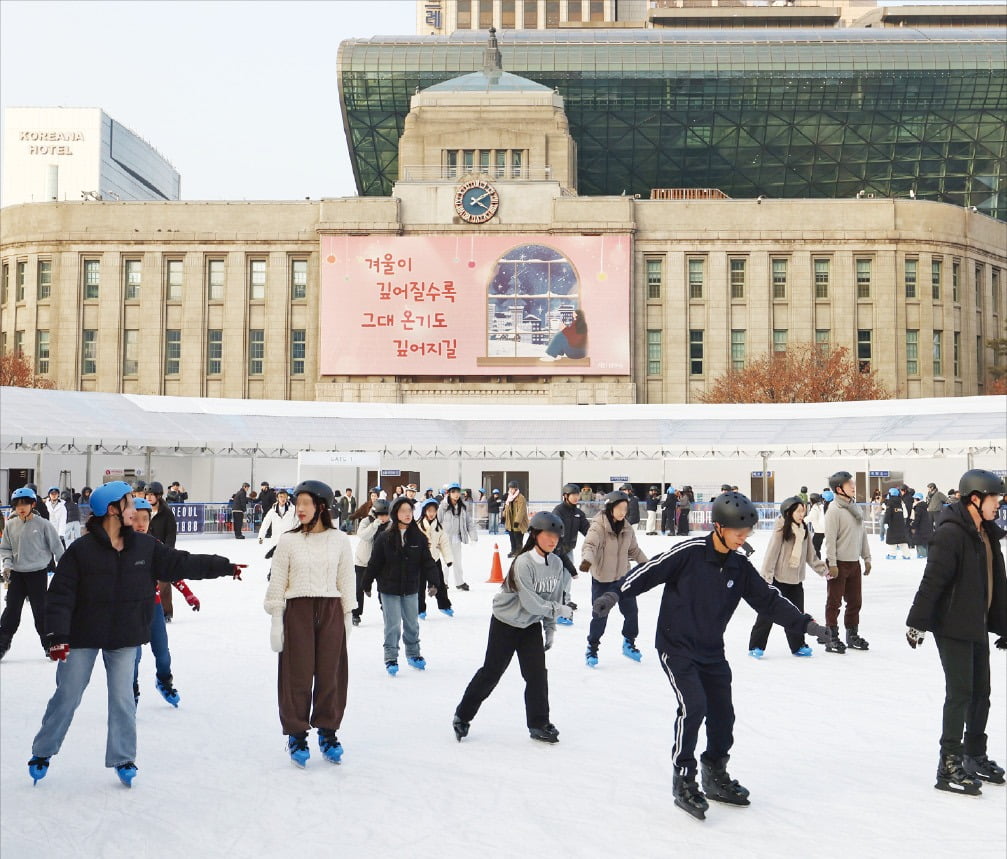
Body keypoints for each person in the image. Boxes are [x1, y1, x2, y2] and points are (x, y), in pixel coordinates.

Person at [595, 491, 829, 820]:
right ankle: (684, 778)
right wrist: (614, 593)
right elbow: (649, 572)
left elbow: (769, 601)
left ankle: (714, 772)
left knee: (723, 715)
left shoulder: (739, 566)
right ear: (719, 527)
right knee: (694, 706)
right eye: (739, 532)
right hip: (676, 647)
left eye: (747, 533)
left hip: (711, 650)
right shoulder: (689, 553)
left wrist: (807, 625)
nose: (744, 538)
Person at [28, 481, 244, 786]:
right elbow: (60, 596)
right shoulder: (81, 551)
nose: (136, 510)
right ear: (112, 510)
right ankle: (43, 751)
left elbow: (182, 562)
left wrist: (223, 566)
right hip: (82, 635)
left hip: (125, 634)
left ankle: (123, 757)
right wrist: (56, 637)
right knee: (68, 694)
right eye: (130, 504)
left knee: (123, 698)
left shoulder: (145, 547)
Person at [906, 469, 1007, 795]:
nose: (999, 505)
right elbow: (933, 579)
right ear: (975, 499)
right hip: (952, 625)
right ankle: (948, 764)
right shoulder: (951, 533)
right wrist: (917, 622)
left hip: (975, 623)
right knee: (961, 694)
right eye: (995, 499)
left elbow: (997, 584)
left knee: (982, 693)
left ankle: (974, 755)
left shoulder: (986, 532)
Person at [453, 512, 573, 744]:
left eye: (556, 536)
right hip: (505, 623)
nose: (553, 540)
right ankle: (462, 715)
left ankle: (539, 724)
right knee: (491, 673)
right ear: (536, 535)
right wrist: (557, 610)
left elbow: (553, 596)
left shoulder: (557, 564)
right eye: (548, 535)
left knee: (537, 675)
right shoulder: (523, 562)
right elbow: (531, 602)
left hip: (529, 625)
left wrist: (550, 628)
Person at [263, 480, 354, 768]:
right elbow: (278, 581)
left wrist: (348, 614)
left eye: (305, 503)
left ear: (321, 507)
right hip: (298, 610)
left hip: (330, 608)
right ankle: (296, 733)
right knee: (297, 675)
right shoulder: (288, 541)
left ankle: (328, 732)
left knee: (331, 675)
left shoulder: (339, 540)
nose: (299, 509)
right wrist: (277, 618)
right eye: (297, 503)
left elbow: (346, 579)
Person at [130, 498, 201, 708]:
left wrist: (188, 594)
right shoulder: (119, 548)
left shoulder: (155, 546)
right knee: (134, 656)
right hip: (131, 611)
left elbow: (172, 571)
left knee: (162, 652)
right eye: (136, 519)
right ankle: (130, 690)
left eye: (145, 519)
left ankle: (164, 680)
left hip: (154, 607)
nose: (141, 524)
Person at [364, 495, 438, 676]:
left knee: (412, 623)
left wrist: (434, 582)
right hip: (389, 589)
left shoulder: (418, 537)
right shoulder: (384, 538)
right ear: (395, 513)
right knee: (393, 624)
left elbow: (428, 562)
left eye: (410, 510)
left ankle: (413, 654)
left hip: (411, 588)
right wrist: (366, 582)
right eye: (403, 510)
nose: (407, 514)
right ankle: (391, 657)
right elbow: (375, 562)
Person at [748, 496, 829, 658]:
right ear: (788, 512)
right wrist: (766, 578)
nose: (801, 514)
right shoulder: (781, 531)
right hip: (778, 580)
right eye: (798, 511)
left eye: (803, 511)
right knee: (766, 615)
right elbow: (771, 555)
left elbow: (811, 556)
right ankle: (756, 646)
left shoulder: (804, 531)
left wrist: (823, 570)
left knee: (797, 614)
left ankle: (798, 645)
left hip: (796, 582)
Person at [580, 491, 648, 667]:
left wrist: (650, 566)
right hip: (602, 579)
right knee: (600, 615)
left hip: (624, 578)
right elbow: (590, 545)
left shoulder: (627, 528)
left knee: (631, 613)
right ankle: (592, 647)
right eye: (619, 508)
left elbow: (634, 551)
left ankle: (629, 643)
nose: (623, 512)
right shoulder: (598, 527)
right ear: (610, 508)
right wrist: (587, 560)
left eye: (625, 508)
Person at [0, 487, 64, 659]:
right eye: (17, 504)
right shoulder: (11, 524)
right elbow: (5, 548)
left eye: (25, 504)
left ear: (32, 504)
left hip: (37, 573)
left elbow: (57, 548)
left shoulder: (43, 524)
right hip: (17, 574)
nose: (21, 507)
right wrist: (7, 565)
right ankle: (2, 643)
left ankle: (50, 645)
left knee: (41, 610)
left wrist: (65, 570)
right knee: (11, 611)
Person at [822, 470, 871, 654]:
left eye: (852, 483)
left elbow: (863, 535)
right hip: (838, 563)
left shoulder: (855, 508)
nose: (853, 486)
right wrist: (832, 564)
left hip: (854, 563)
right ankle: (831, 636)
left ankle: (852, 635)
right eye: (849, 483)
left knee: (855, 601)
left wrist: (867, 558)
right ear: (838, 489)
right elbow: (830, 539)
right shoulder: (834, 510)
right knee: (834, 602)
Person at [351, 498, 389, 626]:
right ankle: (356, 614)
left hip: (381, 563)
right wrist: (375, 525)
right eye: (381, 515)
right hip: (363, 561)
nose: (384, 518)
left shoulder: (390, 524)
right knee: (359, 588)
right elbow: (363, 535)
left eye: (386, 515)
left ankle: (387, 611)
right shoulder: (366, 521)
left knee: (384, 588)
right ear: (375, 513)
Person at [146, 482, 179, 621]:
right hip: (147, 551)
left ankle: (166, 612)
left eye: (151, 495)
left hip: (163, 552)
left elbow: (171, 534)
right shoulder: (143, 510)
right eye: (147, 495)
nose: (149, 497)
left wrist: (168, 551)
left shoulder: (166, 513)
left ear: (159, 496)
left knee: (164, 583)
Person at [417, 498, 455, 619]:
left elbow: (444, 544)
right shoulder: (418, 526)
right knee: (419, 586)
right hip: (420, 562)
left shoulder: (439, 527)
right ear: (424, 511)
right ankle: (420, 609)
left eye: (434, 510)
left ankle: (444, 606)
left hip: (434, 560)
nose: (431, 513)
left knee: (440, 584)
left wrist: (448, 559)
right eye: (429, 510)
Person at [438, 482, 478, 591]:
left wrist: (473, 537)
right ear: (449, 493)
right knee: (445, 562)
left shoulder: (462, 507)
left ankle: (459, 582)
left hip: (456, 538)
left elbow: (469, 523)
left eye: (457, 492)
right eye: (453, 492)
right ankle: (443, 583)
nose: (456, 494)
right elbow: (437, 522)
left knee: (457, 562)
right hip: (445, 539)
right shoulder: (443, 507)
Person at [259, 488, 295, 559]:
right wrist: (261, 536)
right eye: (281, 496)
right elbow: (265, 523)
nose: (283, 499)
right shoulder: (272, 511)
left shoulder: (293, 510)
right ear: (277, 498)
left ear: (287, 498)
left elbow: (298, 522)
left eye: (285, 496)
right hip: (276, 539)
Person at [881, 487, 913, 560]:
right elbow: (905, 514)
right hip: (901, 524)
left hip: (892, 525)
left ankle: (892, 555)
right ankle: (907, 555)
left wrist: (886, 522)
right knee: (902, 540)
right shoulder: (901, 502)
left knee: (892, 540)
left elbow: (888, 513)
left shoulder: (890, 502)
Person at [502, 480, 529, 558]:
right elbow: (506, 508)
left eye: (512, 488)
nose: (510, 490)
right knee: (512, 538)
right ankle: (513, 550)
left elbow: (521, 511)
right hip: (510, 522)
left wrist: (517, 521)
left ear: (516, 489)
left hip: (518, 523)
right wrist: (503, 516)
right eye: (510, 488)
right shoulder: (509, 498)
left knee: (518, 539)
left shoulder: (521, 498)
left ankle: (519, 552)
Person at [908, 491, 933, 559]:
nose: (914, 500)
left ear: (917, 499)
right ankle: (926, 554)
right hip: (927, 527)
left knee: (919, 541)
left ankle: (922, 554)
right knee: (926, 542)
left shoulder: (918, 508)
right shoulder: (925, 507)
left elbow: (917, 519)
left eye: (914, 499)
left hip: (920, 528)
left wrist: (913, 525)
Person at [807, 492, 826, 558]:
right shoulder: (822, 506)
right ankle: (818, 562)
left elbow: (810, 518)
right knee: (816, 547)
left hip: (819, 531)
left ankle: (818, 563)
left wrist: (801, 521)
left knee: (815, 548)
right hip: (823, 530)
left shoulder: (815, 508)